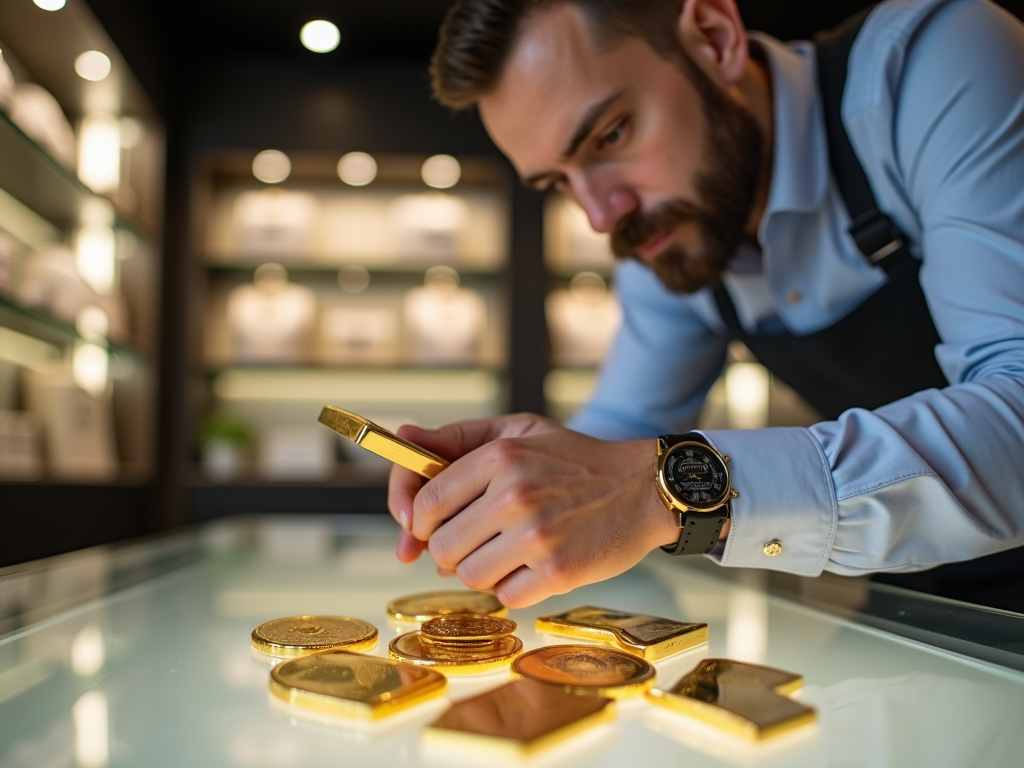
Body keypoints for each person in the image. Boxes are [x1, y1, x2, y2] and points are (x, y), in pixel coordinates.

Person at [387, 0, 1024, 611]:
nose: (603, 215)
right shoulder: (671, 237)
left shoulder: (932, 62)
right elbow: (619, 437)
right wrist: (523, 474)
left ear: (715, 37)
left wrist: (668, 491)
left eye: (611, 136)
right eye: (559, 182)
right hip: (940, 594)